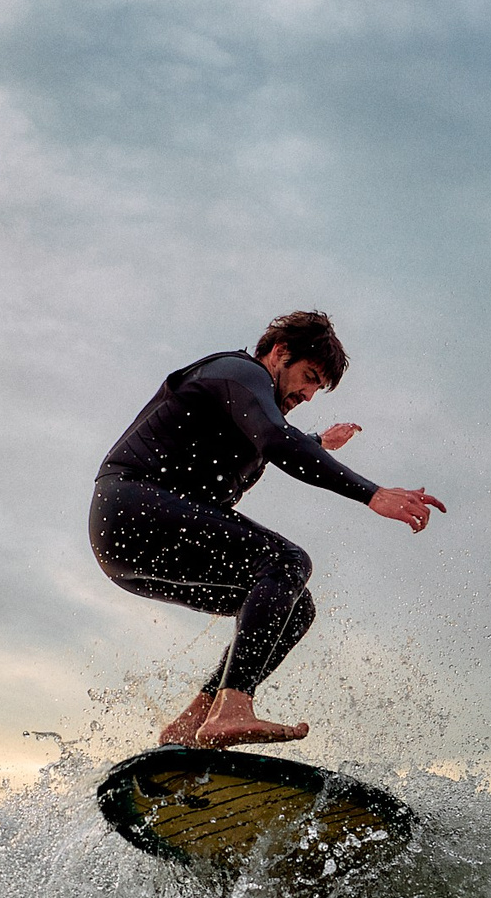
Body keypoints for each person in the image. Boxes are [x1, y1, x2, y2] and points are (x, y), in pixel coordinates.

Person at [91, 310, 445, 747]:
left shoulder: (247, 402)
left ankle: (194, 723)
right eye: (308, 376)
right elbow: (277, 439)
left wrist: (317, 442)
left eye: (318, 388)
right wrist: (372, 493)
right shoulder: (237, 372)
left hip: (130, 550)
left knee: (295, 606)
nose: (308, 394)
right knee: (286, 561)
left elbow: (270, 435)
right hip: (133, 506)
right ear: (279, 352)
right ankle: (233, 707)